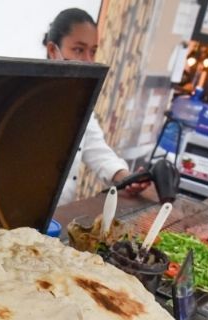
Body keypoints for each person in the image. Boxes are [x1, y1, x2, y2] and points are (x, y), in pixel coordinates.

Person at [43, 8, 149, 206]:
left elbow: (96, 148)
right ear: (52, 50)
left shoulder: (78, 101)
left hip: (58, 216)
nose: (88, 60)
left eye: (93, 51)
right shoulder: (27, 99)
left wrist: (125, 178)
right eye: (78, 50)